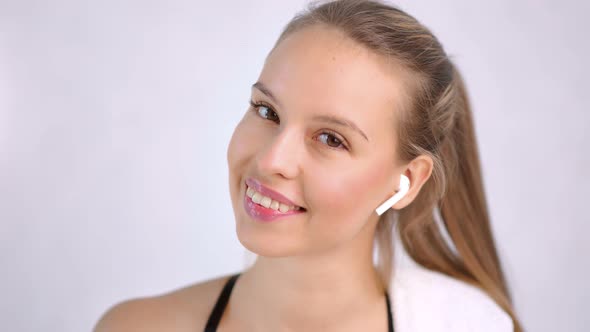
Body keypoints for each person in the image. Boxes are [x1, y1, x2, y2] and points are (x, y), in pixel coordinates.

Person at [94, 0, 523, 331]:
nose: (271, 160)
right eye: (267, 111)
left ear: (407, 182)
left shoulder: (466, 324)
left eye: (331, 139)